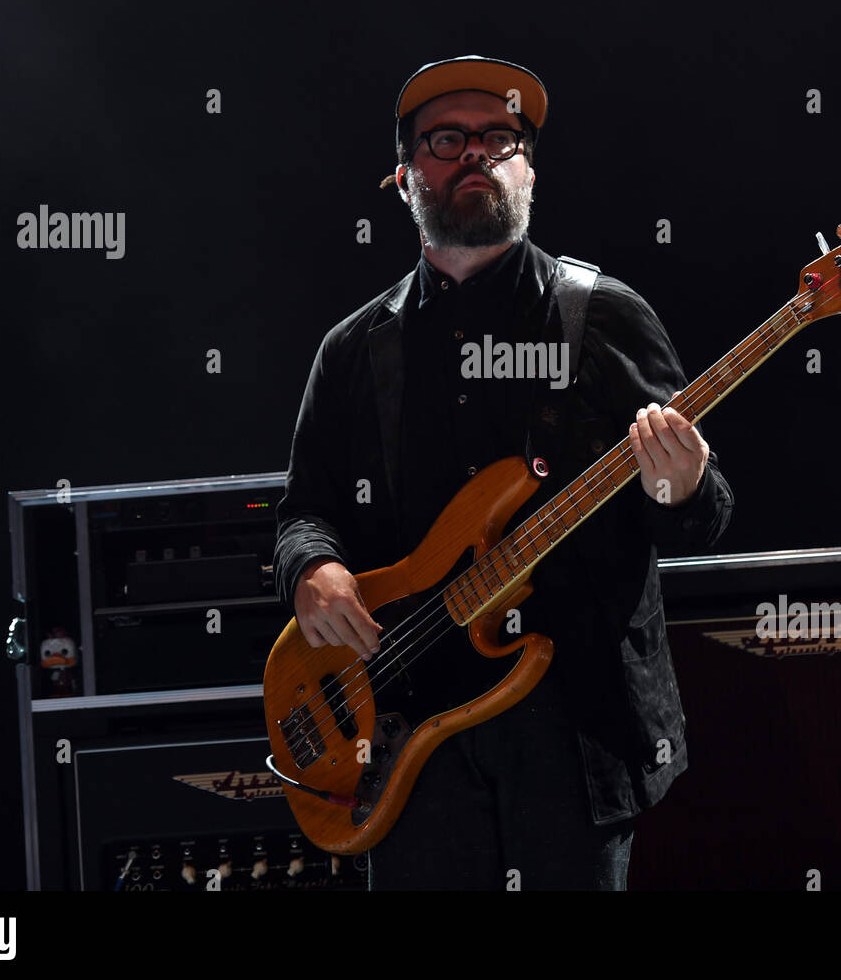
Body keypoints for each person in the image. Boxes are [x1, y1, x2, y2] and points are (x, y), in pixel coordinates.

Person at [274, 55, 733, 890]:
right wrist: (314, 569)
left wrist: (683, 483)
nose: (476, 155)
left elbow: (701, 515)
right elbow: (304, 512)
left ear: (528, 165)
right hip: (405, 728)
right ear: (406, 174)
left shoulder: (602, 318)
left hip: (572, 730)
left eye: (501, 137)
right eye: (447, 139)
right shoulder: (353, 352)